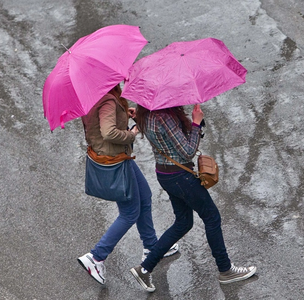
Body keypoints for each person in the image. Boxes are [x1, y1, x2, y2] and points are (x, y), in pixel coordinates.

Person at [130, 104, 256, 292]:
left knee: (183, 222)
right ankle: (226, 270)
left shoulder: (145, 111)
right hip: (181, 177)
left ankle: (145, 268)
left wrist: (192, 124)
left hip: (165, 174)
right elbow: (187, 151)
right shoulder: (164, 116)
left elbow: (165, 137)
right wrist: (196, 123)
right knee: (212, 217)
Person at [77, 84, 179, 285]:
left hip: (117, 158)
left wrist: (124, 114)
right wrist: (131, 134)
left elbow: (100, 125)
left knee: (145, 196)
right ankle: (96, 257)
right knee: (129, 212)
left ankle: (151, 247)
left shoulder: (94, 94)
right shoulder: (107, 99)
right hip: (115, 161)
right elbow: (108, 132)